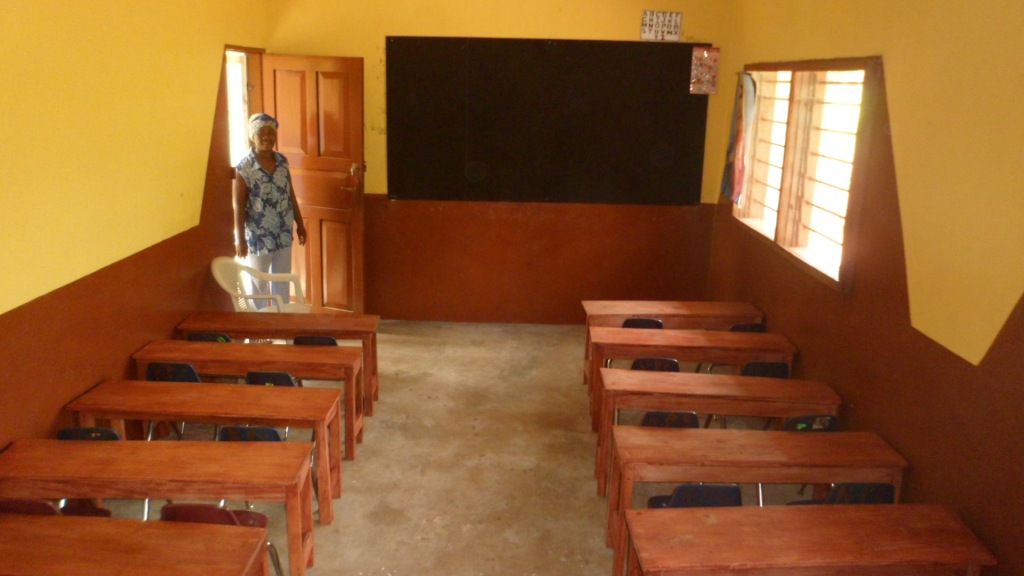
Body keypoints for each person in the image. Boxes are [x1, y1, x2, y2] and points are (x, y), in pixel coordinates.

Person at [233, 113, 307, 308]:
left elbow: (290, 193)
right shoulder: (244, 167)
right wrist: (240, 238)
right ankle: (260, 331)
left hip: (283, 231)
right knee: (258, 283)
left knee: (281, 280)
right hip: (259, 235)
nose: (267, 137)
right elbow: (239, 205)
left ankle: (280, 325)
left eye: (271, 132)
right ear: (252, 136)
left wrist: (300, 224)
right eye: (261, 133)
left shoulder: (282, 161)